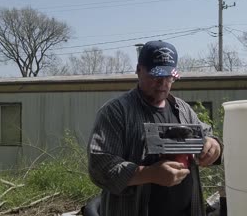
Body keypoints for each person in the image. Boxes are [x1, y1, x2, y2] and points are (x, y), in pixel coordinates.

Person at [87, 40, 222, 216]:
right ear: (138, 70)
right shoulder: (116, 112)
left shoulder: (182, 110)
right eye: (156, 75)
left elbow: (206, 135)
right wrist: (150, 174)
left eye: (169, 76)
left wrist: (214, 144)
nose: (163, 82)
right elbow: (99, 166)